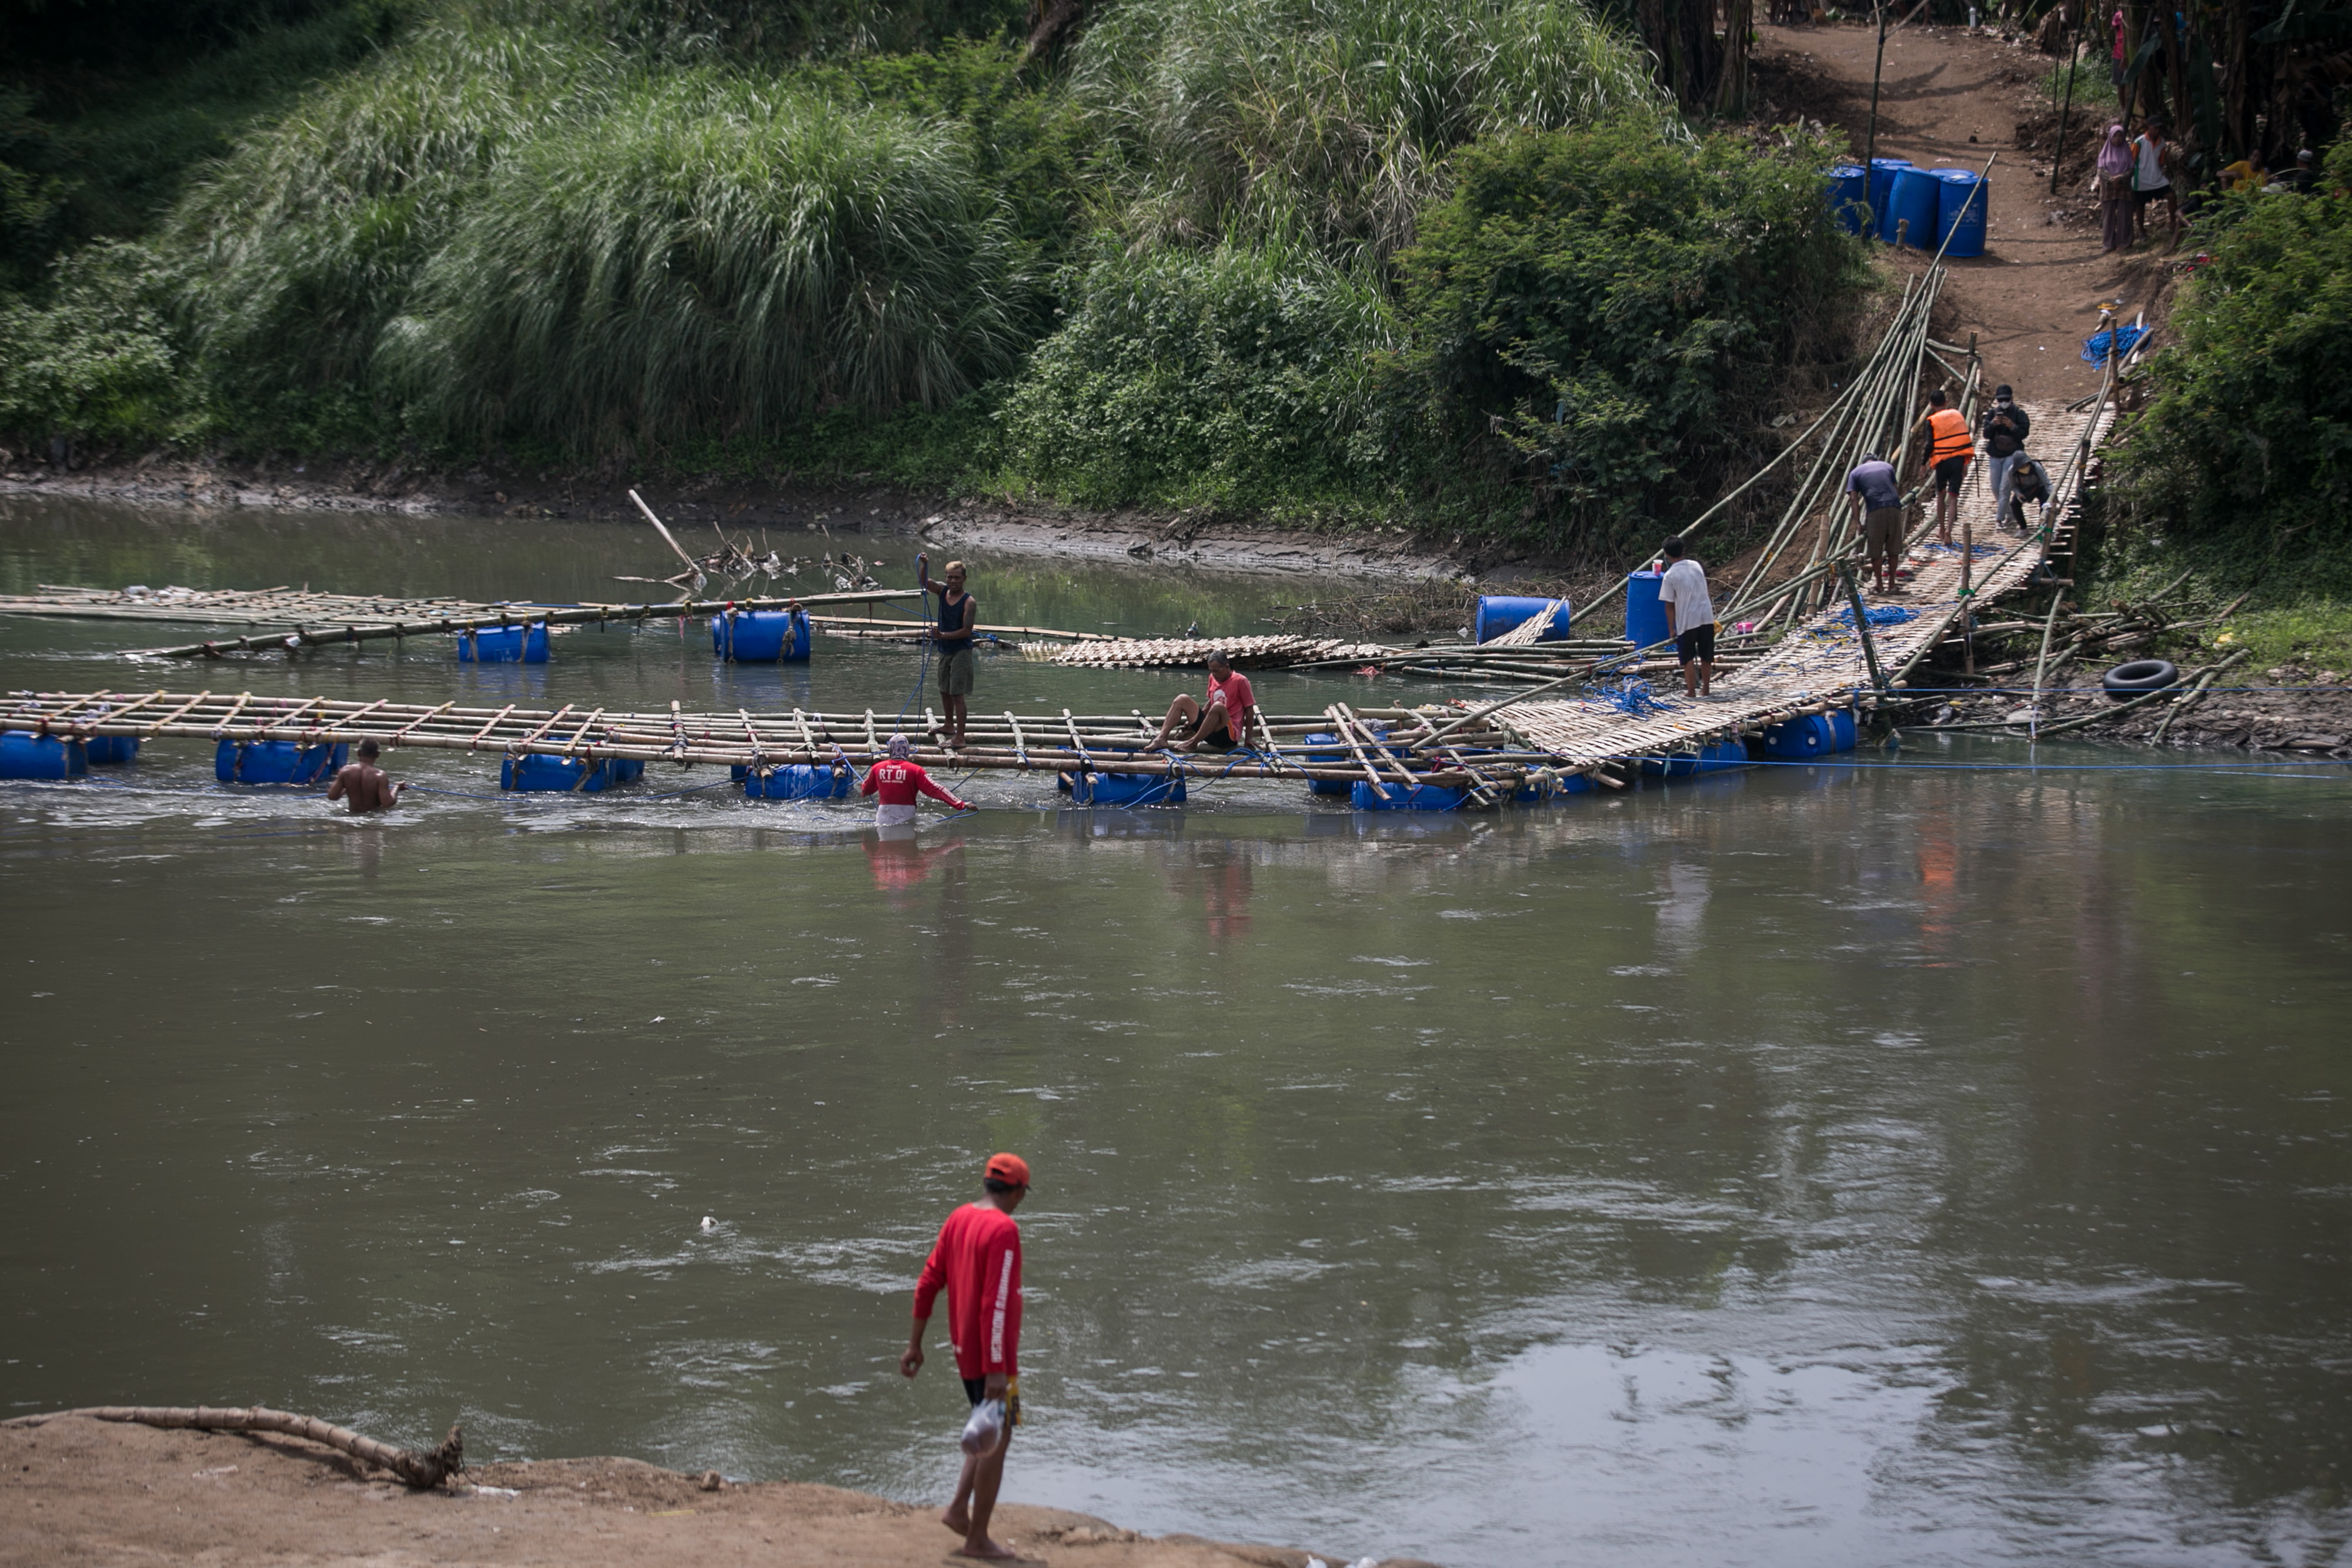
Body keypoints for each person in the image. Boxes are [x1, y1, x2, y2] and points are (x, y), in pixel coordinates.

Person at [903, 1152, 1030, 1562]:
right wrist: (998, 1368)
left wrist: (915, 1344)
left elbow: (928, 1280)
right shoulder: (1004, 1229)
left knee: (985, 1429)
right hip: (992, 1357)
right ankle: (977, 1539)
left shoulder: (960, 1217)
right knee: (999, 1437)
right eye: (1024, 1193)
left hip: (963, 1349)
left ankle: (959, 1508)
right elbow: (995, 1304)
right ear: (1016, 1191)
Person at [917, 553, 978, 750]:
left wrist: (942, 635)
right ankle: (949, 725)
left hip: (961, 651)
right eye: (949, 577)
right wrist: (925, 564)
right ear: (946, 577)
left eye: (957, 578)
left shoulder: (969, 602)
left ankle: (960, 737)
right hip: (944, 650)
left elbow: (966, 631)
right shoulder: (943, 593)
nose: (953, 581)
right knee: (944, 690)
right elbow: (924, 581)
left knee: (957, 694)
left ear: (964, 579)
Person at [1145, 650, 1257, 752]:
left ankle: (1193, 743)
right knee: (1182, 699)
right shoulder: (1212, 678)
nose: (1214, 675)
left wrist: (1249, 738)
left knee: (1218, 706)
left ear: (1227, 667)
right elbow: (1210, 702)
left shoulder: (1240, 681)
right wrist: (1195, 720)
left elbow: (1249, 709)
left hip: (1227, 737)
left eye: (1217, 671)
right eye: (1212, 671)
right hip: (1209, 732)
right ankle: (1161, 738)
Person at [860, 733, 972, 825]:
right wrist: (960, 804)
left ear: (890, 750)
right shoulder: (915, 770)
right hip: (906, 817)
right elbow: (935, 789)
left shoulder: (877, 768)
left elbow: (866, 790)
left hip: (883, 817)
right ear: (907, 751)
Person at [1657, 536, 1718, 700]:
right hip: (1706, 616)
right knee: (1706, 654)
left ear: (1666, 555)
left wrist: (1671, 629)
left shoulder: (1670, 576)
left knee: (1687, 656)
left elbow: (1669, 605)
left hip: (1687, 620)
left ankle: (1691, 692)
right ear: (1683, 550)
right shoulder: (1696, 565)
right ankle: (1705, 689)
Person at [1908, 388, 1972, 545]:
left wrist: (1924, 464)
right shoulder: (1957, 415)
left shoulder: (1932, 421)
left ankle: (1942, 530)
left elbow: (1930, 445)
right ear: (1946, 402)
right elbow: (1964, 438)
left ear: (1931, 405)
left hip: (1942, 462)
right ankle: (1950, 529)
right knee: (1953, 498)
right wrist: (1965, 463)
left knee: (1941, 495)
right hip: (1957, 460)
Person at [1843, 450, 1907, 596]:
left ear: (1864, 462)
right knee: (1894, 549)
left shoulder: (1855, 473)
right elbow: (1895, 489)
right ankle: (1892, 585)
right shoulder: (1888, 467)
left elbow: (1853, 499)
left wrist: (1858, 523)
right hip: (1894, 507)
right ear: (1876, 460)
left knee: (1875, 550)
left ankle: (1879, 585)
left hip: (1875, 509)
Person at [1979, 386, 2032, 523]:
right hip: (1995, 455)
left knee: (2004, 487)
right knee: (1996, 488)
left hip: (2012, 454)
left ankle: (2000, 519)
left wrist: (2012, 426)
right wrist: (1993, 424)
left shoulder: (2019, 413)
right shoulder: (1992, 413)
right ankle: (2010, 512)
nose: (2003, 402)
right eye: (2000, 400)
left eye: (2006, 399)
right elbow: (1986, 434)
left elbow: (2024, 433)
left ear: (2011, 398)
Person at [2132, 120, 2178, 243]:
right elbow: (2131, 160)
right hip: (2141, 179)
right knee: (2140, 205)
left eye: (2159, 128)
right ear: (2149, 127)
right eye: (2155, 128)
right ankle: (2142, 232)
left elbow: (2161, 161)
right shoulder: (2139, 142)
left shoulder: (2161, 142)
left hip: (2157, 178)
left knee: (2171, 196)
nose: (2157, 131)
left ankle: (2172, 222)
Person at [326, 740, 402, 814]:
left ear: (359, 753)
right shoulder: (380, 776)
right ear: (378, 755)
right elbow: (387, 803)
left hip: (351, 817)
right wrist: (397, 788)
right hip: (372, 819)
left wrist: (347, 788)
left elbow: (332, 796)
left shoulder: (346, 771)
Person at [2096, 123, 2135, 252]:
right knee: (2108, 216)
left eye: (2120, 136)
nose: (2118, 139)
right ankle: (2108, 244)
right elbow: (2100, 170)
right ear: (2110, 138)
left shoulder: (2127, 152)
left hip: (2124, 186)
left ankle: (2123, 242)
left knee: (2125, 215)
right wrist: (2112, 179)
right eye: (2115, 136)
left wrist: (2121, 178)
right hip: (2108, 187)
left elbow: (2131, 169)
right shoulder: (2104, 153)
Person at [2003, 449, 2052, 533]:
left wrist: (2053, 495)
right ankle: (2023, 528)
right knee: (2014, 505)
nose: (2024, 468)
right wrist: (2019, 494)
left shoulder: (2036, 467)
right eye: (2021, 467)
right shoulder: (2011, 472)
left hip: (2038, 487)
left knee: (2045, 501)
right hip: (2023, 489)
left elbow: (2047, 483)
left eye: (2025, 466)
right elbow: (2014, 486)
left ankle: (2042, 526)